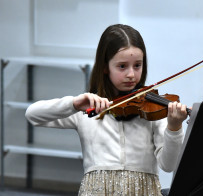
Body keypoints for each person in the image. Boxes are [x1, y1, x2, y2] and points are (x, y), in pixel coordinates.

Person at [25, 24, 188, 196]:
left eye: (137, 65)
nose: (131, 74)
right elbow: (33, 115)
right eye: (122, 66)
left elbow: (168, 165)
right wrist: (73, 104)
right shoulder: (87, 110)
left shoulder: (153, 110)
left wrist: (174, 128)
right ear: (105, 67)